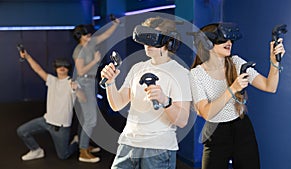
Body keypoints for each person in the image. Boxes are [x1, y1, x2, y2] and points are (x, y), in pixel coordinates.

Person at [189, 22, 285, 169]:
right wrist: (233, 88)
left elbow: (269, 86)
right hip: (216, 133)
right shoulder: (197, 74)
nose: (229, 43)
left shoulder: (236, 62)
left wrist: (274, 62)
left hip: (242, 129)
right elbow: (206, 112)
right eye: (223, 40)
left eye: (230, 40)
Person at [100, 16, 192, 169]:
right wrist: (110, 82)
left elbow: (182, 120)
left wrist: (165, 101)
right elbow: (117, 105)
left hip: (158, 148)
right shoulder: (137, 68)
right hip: (128, 143)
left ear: (168, 42)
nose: (148, 45)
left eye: (153, 39)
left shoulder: (180, 73)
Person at [16, 50, 80, 161]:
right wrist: (27, 56)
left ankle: (76, 141)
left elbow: (82, 97)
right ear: (55, 68)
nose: (62, 68)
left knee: (63, 156)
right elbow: (38, 69)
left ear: (68, 69)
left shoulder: (72, 82)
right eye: (59, 66)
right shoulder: (51, 80)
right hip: (46, 121)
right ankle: (36, 150)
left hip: (61, 127)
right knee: (22, 131)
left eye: (64, 66)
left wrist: (76, 89)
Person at [72, 19, 120, 163]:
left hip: (91, 81)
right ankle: (83, 151)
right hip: (84, 82)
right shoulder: (79, 51)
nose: (89, 36)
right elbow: (80, 71)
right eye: (86, 35)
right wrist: (95, 60)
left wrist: (115, 25)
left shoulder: (90, 43)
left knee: (88, 117)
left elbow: (104, 35)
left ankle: (83, 143)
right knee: (91, 119)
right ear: (80, 36)